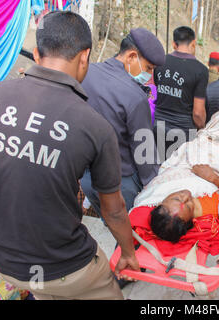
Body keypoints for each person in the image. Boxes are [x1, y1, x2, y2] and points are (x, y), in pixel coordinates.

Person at [0, 11, 139, 300]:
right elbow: (114, 210)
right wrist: (129, 252)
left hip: (1, 264)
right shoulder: (95, 126)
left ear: (35, 53)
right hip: (66, 267)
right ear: (85, 57)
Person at [80, 28, 165, 213]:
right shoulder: (135, 96)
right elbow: (144, 152)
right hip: (121, 183)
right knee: (128, 234)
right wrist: (153, 188)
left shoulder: (86, 73)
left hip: (88, 177)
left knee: (109, 224)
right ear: (131, 56)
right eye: (149, 68)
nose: (150, 76)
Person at [153, 26, 209, 161]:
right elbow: (197, 113)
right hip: (183, 133)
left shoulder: (159, 62)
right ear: (193, 43)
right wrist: (202, 128)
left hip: (158, 127)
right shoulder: (200, 70)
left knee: (157, 171)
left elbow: (154, 91)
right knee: (178, 175)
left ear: (174, 43)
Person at [150, 164, 219, 242]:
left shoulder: (158, 191)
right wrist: (214, 179)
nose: (186, 196)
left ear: (160, 203)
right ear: (191, 221)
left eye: (177, 199)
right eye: (189, 207)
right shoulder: (215, 209)